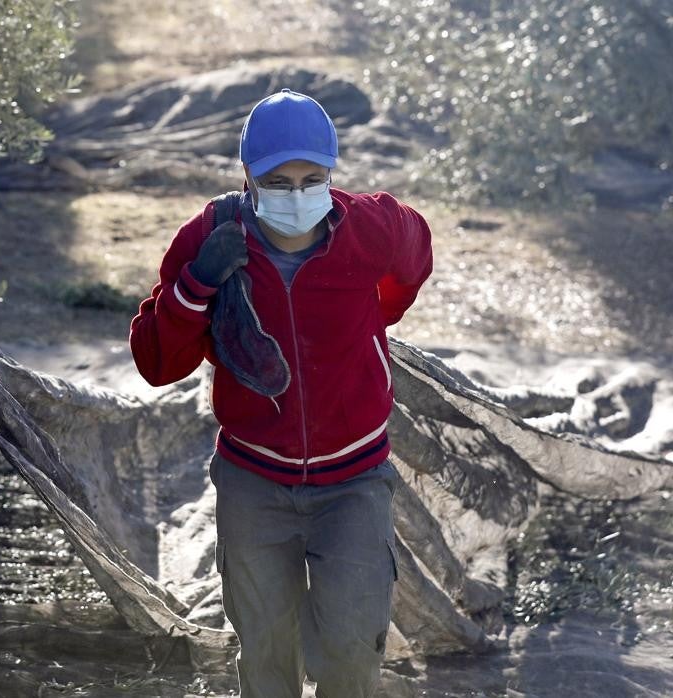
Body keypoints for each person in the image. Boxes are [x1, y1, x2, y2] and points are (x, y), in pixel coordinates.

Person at [129, 89, 433, 697]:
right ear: (247, 175)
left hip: (354, 482)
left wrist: (372, 315)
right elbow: (159, 363)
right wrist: (196, 285)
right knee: (266, 655)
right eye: (277, 180)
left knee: (351, 650)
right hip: (254, 483)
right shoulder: (209, 238)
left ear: (332, 174)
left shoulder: (368, 227)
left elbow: (414, 258)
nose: (297, 194)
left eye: (311, 178)